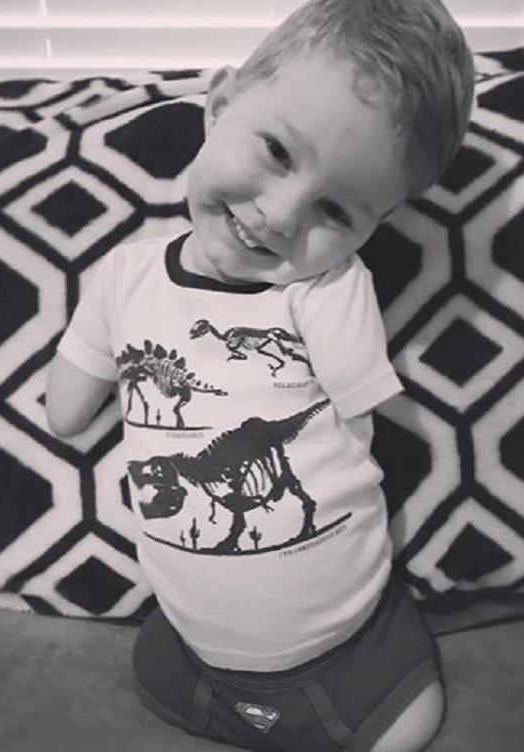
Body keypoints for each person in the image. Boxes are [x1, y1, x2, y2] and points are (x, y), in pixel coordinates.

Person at [46, 0, 474, 749]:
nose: (279, 216)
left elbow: (366, 411)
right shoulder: (122, 276)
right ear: (219, 106)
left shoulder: (327, 286)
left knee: (410, 721)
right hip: (190, 653)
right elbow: (65, 412)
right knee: (153, 671)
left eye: (335, 212)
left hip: (348, 645)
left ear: (372, 229)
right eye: (277, 151)